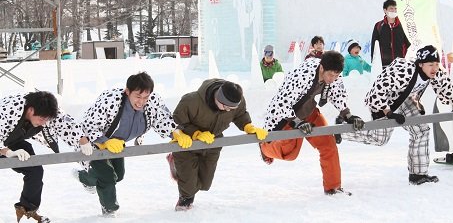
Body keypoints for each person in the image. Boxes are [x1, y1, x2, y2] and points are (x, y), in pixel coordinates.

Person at [342, 45, 453, 185]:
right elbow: (377, 91)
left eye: (437, 64)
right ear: (420, 64)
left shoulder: (436, 73)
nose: (435, 68)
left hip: (405, 100)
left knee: (421, 131)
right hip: (385, 103)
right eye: (431, 64)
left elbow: (445, 86)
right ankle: (342, 130)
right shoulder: (404, 70)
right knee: (379, 139)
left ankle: (418, 175)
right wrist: (388, 112)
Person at [260, 51, 365, 195]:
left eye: (336, 76)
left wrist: (348, 115)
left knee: (329, 144)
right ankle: (265, 147)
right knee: (290, 153)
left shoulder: (333, 74)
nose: (333, 79)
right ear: (321, 68)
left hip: (309, 111)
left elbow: (338, 93)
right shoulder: (303, 74)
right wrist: (296, 122)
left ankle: (333, 187)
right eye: (331, 75)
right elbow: (281, 102)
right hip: (287, 116)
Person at [74, 72, 177, 216]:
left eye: (146, 97)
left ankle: (85, 178)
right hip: (90, 142)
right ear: (127, 91)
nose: (141, 102)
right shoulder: (110, 100)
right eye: (138, 96)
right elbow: (86, 126)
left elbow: (162, 119)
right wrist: (105, 142)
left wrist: (175, 133)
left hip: (117, 144)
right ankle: (109, 210)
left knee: (118, 175)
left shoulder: (152, 102)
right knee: (107, 176)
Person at [169, 79, 268, 211]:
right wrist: (196, 133)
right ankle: (185, 198)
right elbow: (175, 122)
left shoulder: (236, 101)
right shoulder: (191, 101)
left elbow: (240, 115)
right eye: (225, 106)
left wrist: (248, 126)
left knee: (205, 184)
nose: (228, 110)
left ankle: (185, 176)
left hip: (213, 143)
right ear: (217, 96)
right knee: (189, 187)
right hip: (188, 145)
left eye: (231, 108)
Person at [0, 91, 92, 223]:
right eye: (42, 119)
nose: (44, 124)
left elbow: (64, 121)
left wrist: (83, 140)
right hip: (3, 142)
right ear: (30, 110)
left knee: (35, 170)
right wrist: (7, 152)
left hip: (12, 141)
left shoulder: (45, 108)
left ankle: (27, 209)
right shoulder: (9, 109)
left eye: (46, 120)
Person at [370, 0, 411, 67]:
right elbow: (374, 45)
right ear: (385, 10)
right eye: (391, 8)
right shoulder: (379, 25)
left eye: (395, 8)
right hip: (384, 64)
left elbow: (407, 44)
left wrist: (403, 58)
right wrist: (374, 62)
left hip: (400, 64)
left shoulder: (402, 25)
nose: (394, 10)